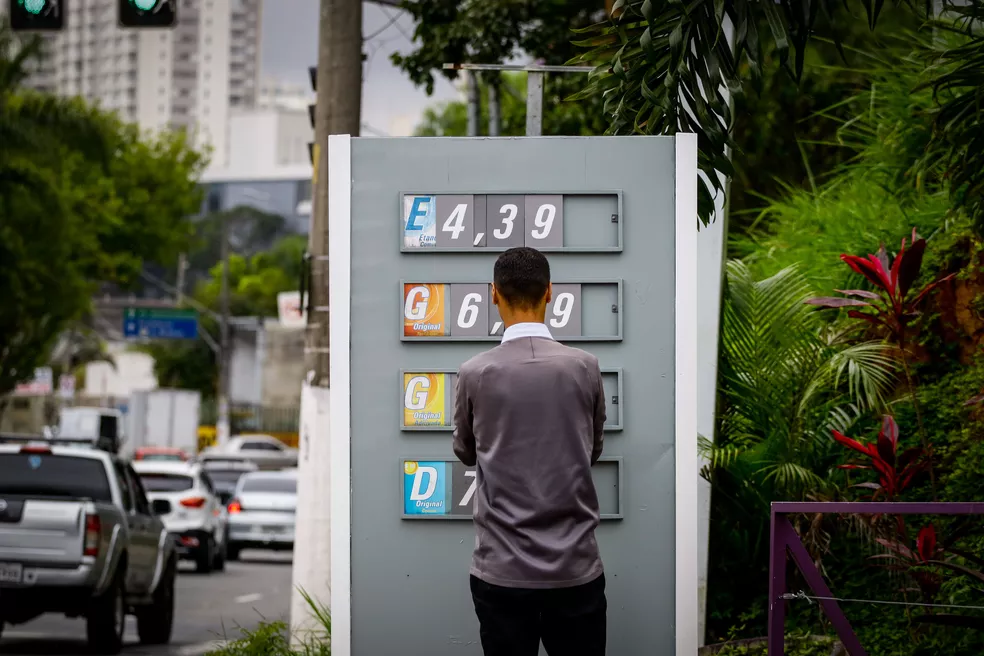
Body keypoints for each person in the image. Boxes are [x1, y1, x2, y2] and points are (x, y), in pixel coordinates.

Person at [452, 246, 608, 656]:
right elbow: (591, 450)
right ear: (550, 292)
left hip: (500, 570)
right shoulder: (585, 367)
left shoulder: (473, 372)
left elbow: (465, 452)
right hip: (576, 569)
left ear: (493, 294)